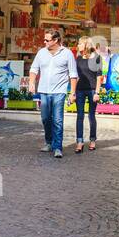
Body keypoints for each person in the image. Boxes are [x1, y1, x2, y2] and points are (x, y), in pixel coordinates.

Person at [27, 28, 76, 159]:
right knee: (45, 119)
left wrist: (72, 92)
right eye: (44, 39)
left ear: (55, 40)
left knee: (58, 120)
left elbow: (73, 74)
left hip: (59, 92)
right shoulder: (41, 53)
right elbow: (34, 69)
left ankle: (58, 147)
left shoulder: (67, 54)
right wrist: (31, 83)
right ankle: (49, 142)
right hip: (44, 91)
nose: (44, 42)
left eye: (47, 40)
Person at [71, 37, 104, 152]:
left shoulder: (97, 58)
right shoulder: (78, 58)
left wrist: (97, 92)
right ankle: (79, 141)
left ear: (86, 45)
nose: (78, 46)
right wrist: (73, 92)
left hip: (92, 90)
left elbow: (99, 77)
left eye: (80, 44)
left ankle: (92, 140)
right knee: (80, 116)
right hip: (80, 90)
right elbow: (75, 76)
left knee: (91, 116)